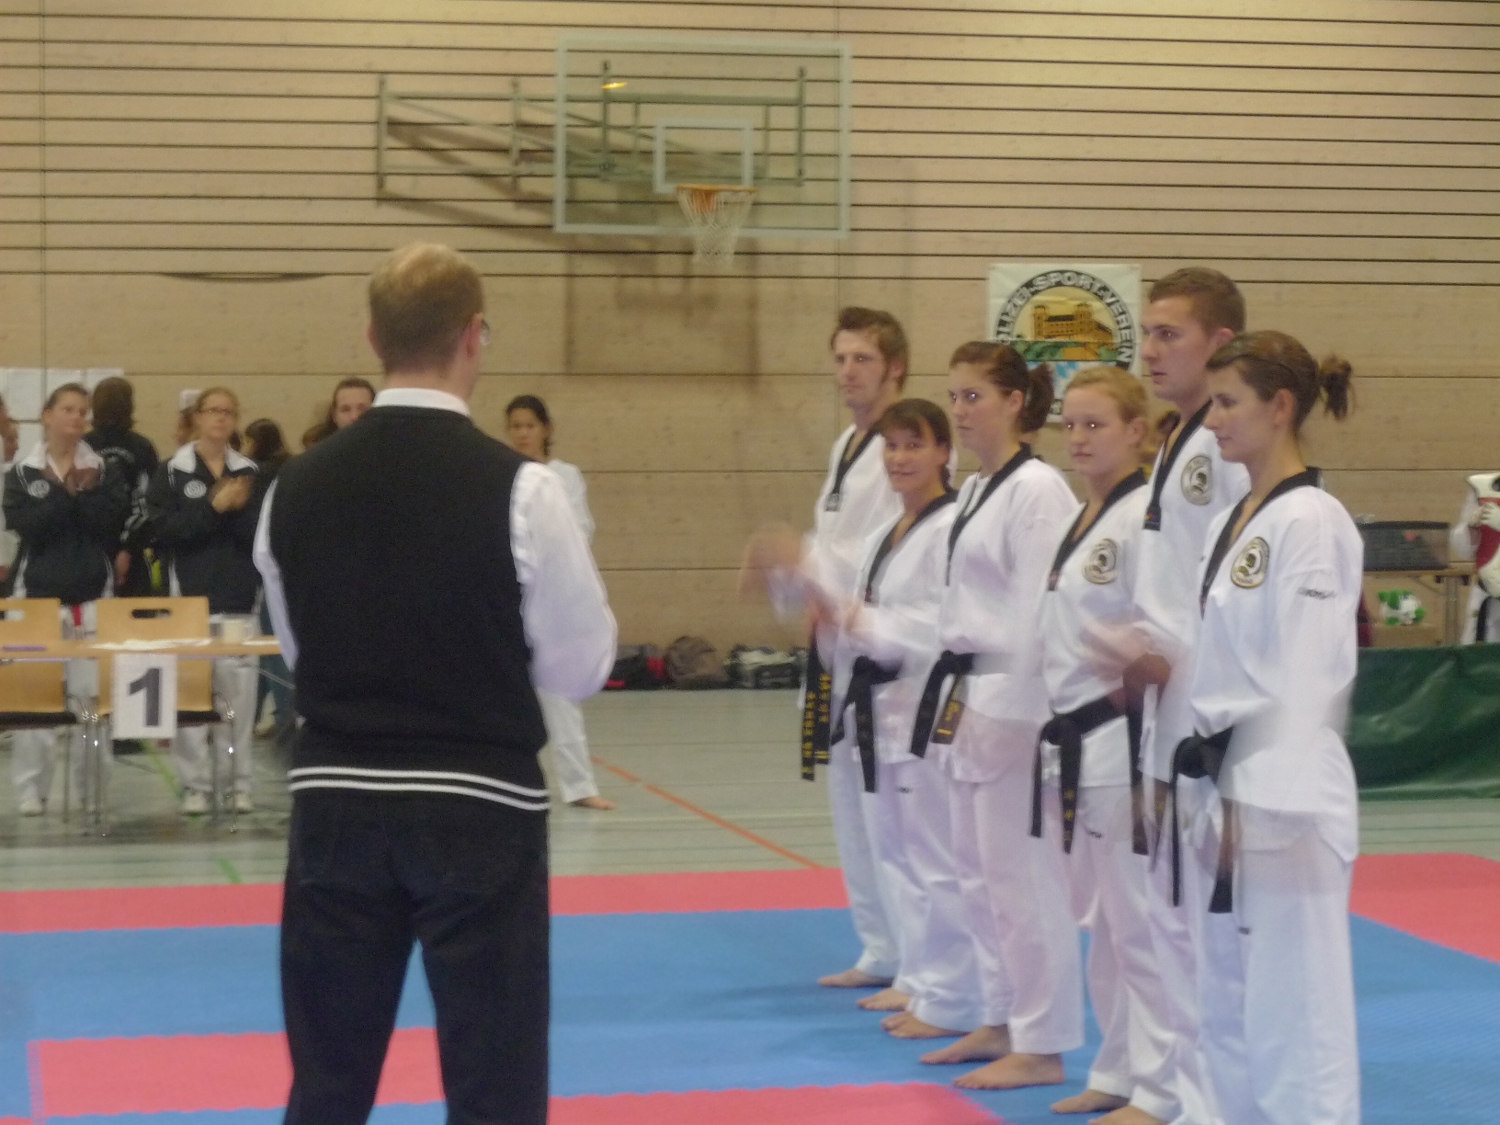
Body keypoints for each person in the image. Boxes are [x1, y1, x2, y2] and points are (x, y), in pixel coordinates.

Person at [254, 242, 616, 1124]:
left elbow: (299, 651)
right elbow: (579, 665)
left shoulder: (293, 486)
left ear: (373, 337)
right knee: (495, 1086)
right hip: (477, 804)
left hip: (337, 798)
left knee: (328, 1083)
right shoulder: (524, 489)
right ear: (475, 335)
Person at [1186, 331, 1361, 1123]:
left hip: (1283, 797)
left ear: (1280, 406)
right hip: (1228, 787)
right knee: (1228, 1003)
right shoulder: (1238, 516)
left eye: (1228, 403)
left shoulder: (1311, 520)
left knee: (1299, 1015)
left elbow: (1309, 676)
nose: (1212, 420)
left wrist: (1263, 797)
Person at [911, 342, 1082, 1090]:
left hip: (1017, 698)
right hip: (969, 693)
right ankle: (1001, 1014)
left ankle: (1043, 1041)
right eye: (953, 396)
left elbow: (1041, 610)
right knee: (976, 872)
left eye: (974, 396)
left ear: (1016, 402)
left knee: (1022, 881)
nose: (959, 409)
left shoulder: (1038, 490)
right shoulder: (979, 488)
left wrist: (1013, 707)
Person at [1125, 266, 1250, 1125]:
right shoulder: (1177, 438)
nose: (1150, 349)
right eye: (1147, 332)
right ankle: (1177, 1092)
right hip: (1162, 712)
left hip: (1210, 714)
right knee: (1167, 914)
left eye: (1169, 333)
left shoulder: (1225, 448)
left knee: (1213, 928)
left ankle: (1217, 1104)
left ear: (1220, 342)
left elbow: (1235, 599)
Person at [1036, 367, 1175, 1124]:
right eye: (1071, 425)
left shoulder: (1142, 519)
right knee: (1108, 927)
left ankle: (1162, 1087)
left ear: (1136, 430)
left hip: (1123, 742)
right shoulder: (1083, 515)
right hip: (1076, 743)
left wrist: (1125, 648)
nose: (1080, 438)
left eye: (1096, 424)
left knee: (1139, 924)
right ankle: (1116, 1068)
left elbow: (1161, 632)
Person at [797, 307, 909, 999]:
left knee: (888, 813)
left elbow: (880, 549)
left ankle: (918, 958)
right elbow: (828, 539)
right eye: (840, 358)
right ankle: (880, 946)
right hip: (834, 646)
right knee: (849, 804)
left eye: (862, 359)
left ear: (895, 367)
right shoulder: (847, 443)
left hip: (880, 647)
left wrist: (810, 572)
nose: (847, 372)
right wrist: (804, 579)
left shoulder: (905, 446)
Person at [4, 383, 130, 816]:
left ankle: (91, 788)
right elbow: (30, 526)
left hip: (93, 597)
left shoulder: (105, 469)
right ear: (47, 415)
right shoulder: (22, 472)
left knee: (92, 700)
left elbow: (107, 523)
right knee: (34, 701)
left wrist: (73, 497)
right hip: (35, 598)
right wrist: (70, 493)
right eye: (68, 409)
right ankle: (31, 790)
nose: (76, 417)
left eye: (82, 411)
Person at [146, 387, 266, 815]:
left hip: (238, 599)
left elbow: (258, 533)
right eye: (213, 410)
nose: (220, 418)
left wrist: (232, 510)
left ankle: (238, 784)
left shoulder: (250, 471)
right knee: (192, 701)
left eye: (228, 412)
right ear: (196, 417)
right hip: (189, 600)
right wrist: (214, 508)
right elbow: (164, 531)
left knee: (240, 702)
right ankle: (194, 785)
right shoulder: (171, 471)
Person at [505, 393, 614, 810]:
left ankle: (579, 785)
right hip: (512, 594)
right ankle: (510, 782)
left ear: (545, 429)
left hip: (553, 596)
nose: (522, 434)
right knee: (508, 694)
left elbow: (580, 530)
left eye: (529, 425)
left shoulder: (565, 476)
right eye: (515, 426)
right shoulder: (504, 472)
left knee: (560, 695)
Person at [243, 419, 296, 753]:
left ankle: (285, 719)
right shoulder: (289, 469)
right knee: (267, 653)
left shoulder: (260, 474)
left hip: (269, 572)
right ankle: (273, 717)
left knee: (273, 650)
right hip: (283, 569)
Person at [85, 376, 160, 597]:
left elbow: (149, 499)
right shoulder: (142, 446)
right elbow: (149, 502)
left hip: (93, 547)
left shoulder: (85, 444)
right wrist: (128, 548)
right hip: (122, 546)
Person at [1449, 472, 1500, 642]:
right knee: (1477, 654)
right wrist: (1472, 529)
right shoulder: (1485, 488)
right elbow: (1463, 551)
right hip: (1486, 592)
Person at [301, 376, 375, 449]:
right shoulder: (318, 452)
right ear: (334, 416)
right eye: (346, 410)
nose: (354, 417)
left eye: (362, 409)